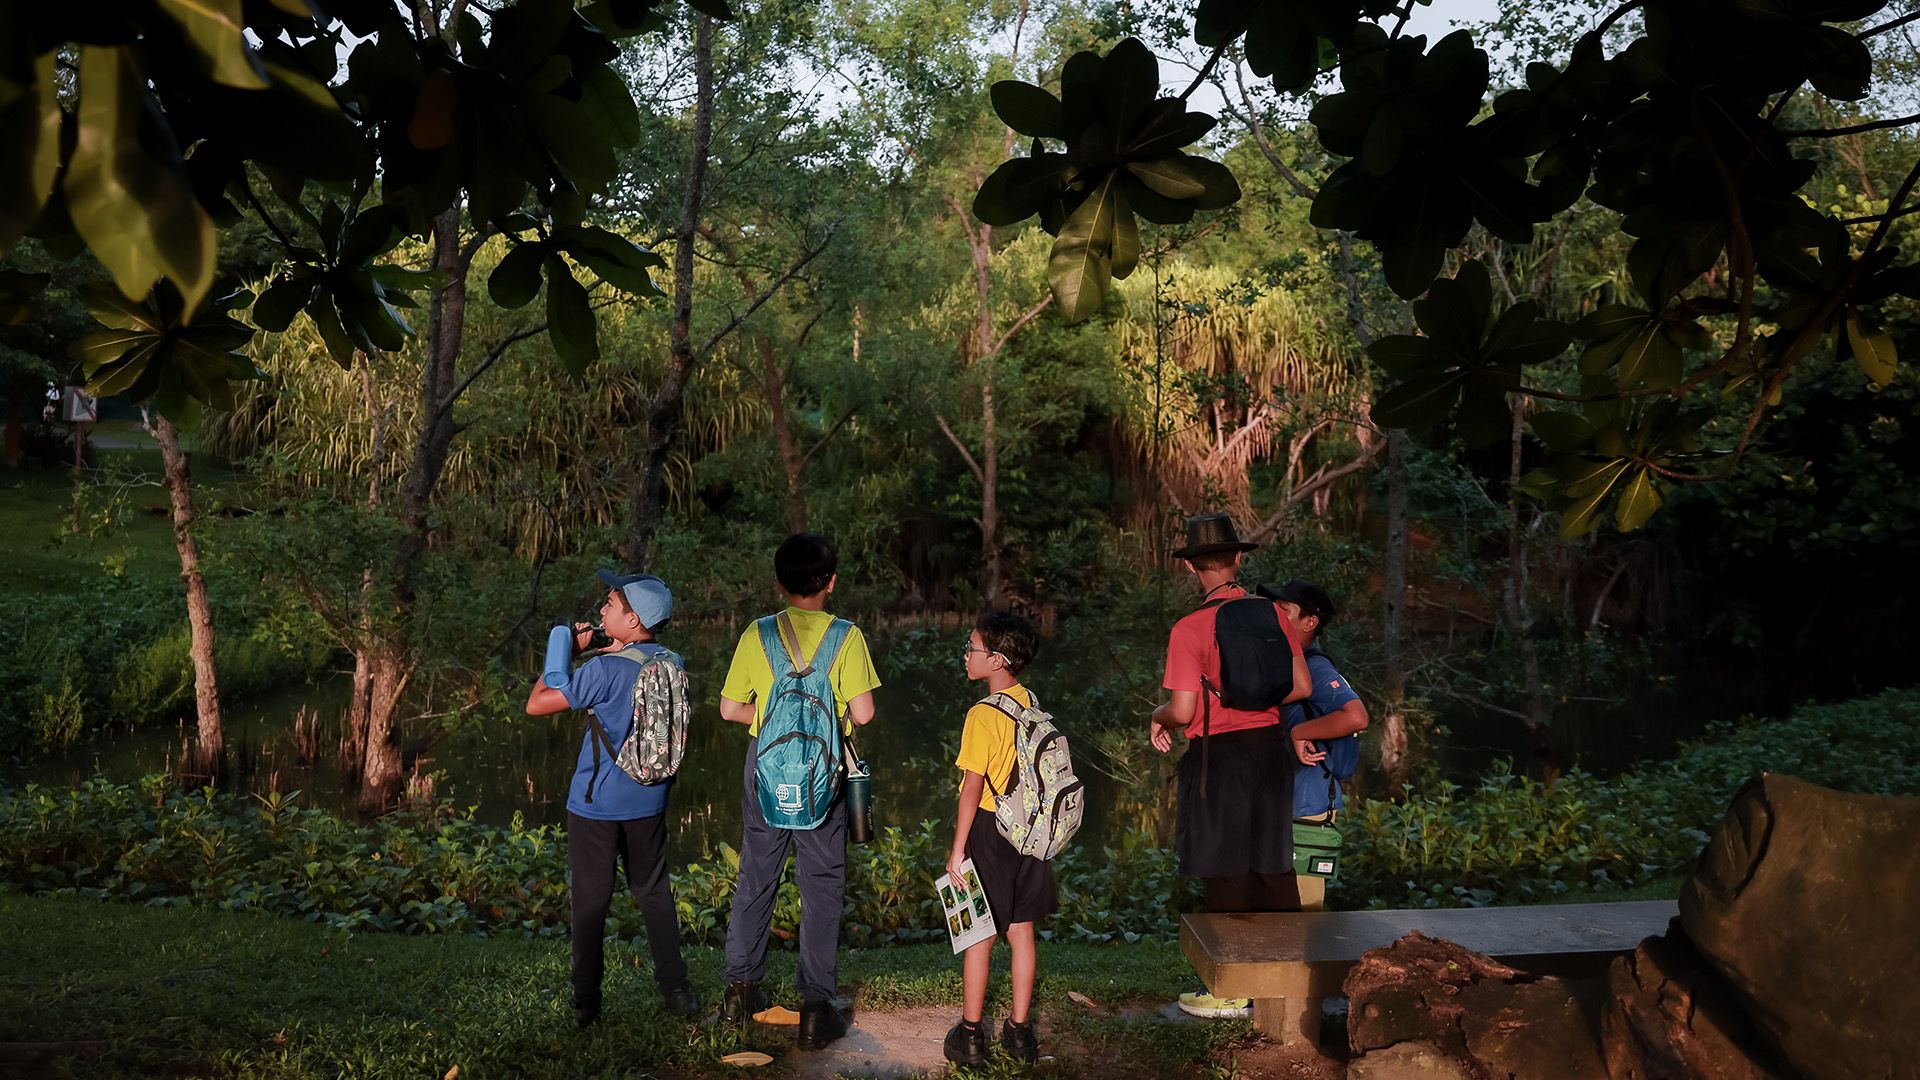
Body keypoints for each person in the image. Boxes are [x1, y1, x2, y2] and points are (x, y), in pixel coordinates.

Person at [716, 533, 881, 1050]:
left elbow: (728, 709)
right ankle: (815, 1007)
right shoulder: (847, 637)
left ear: (779, 583)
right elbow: (864, 714)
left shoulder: (756, 633)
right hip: (822, 774)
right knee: (822, 884)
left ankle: (739, 994)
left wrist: (765, 715)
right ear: (831, 582)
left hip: (763, 770)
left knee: (756, 877)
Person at [1148, 513, 1310, 1019]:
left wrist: (1155, 717)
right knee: (1273, 862)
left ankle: (1233, 990)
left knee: (1223, 864)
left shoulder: (1190, 628)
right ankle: (1293, 979)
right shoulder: (1274, 616)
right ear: (1239, 559)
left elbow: (1182, 711)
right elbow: (1301, 688)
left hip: (1220, 755)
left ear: (1194, 567)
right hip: (1271, 750)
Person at [523, 570, 698, 1028]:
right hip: (650, 801)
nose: (601, 611)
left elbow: (537, 703)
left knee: (591, 902)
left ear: (633, 617)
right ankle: (677, 992)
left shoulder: (601, 670)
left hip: (596, 807)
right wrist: (610, 651)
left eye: (610, 605)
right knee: (654, 894)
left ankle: (586, 1003)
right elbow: (635, 673)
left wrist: (566, 652)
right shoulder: (672, 662)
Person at [942, 611, 1057, 1067]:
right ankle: (1021, 1033)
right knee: (1022, 931)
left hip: (991, 831)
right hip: (1031, 829)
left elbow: (972, 788)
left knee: (979, 934)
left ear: (995, 659)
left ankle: (971, 1036)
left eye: (971, 649)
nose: (966, 656)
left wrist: (956, 851)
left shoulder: (982, 714)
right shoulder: (1029, 700)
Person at [1271, 579, 1369, 912]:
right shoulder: (1286, 665)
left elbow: (1356, 716)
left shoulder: (1316, 667)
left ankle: (1310, 965)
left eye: (1284, 610)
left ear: (1309, 622)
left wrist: (1300, 733)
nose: (1275, 616)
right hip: (1286, 803)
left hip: (1309, 805)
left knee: (1306, 911)